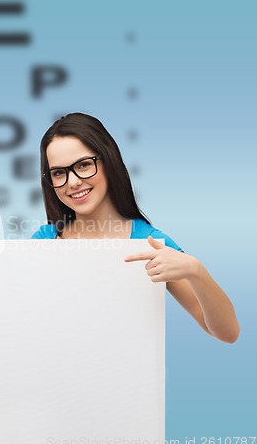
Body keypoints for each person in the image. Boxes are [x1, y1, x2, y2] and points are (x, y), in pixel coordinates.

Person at [32, 112, 239, 343]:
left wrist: (195, 270)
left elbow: (227, 333)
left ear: (108, 161)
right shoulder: (42, 242)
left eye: (83, 165)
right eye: (59, 172)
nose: (73, 182)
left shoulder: (150, 244)